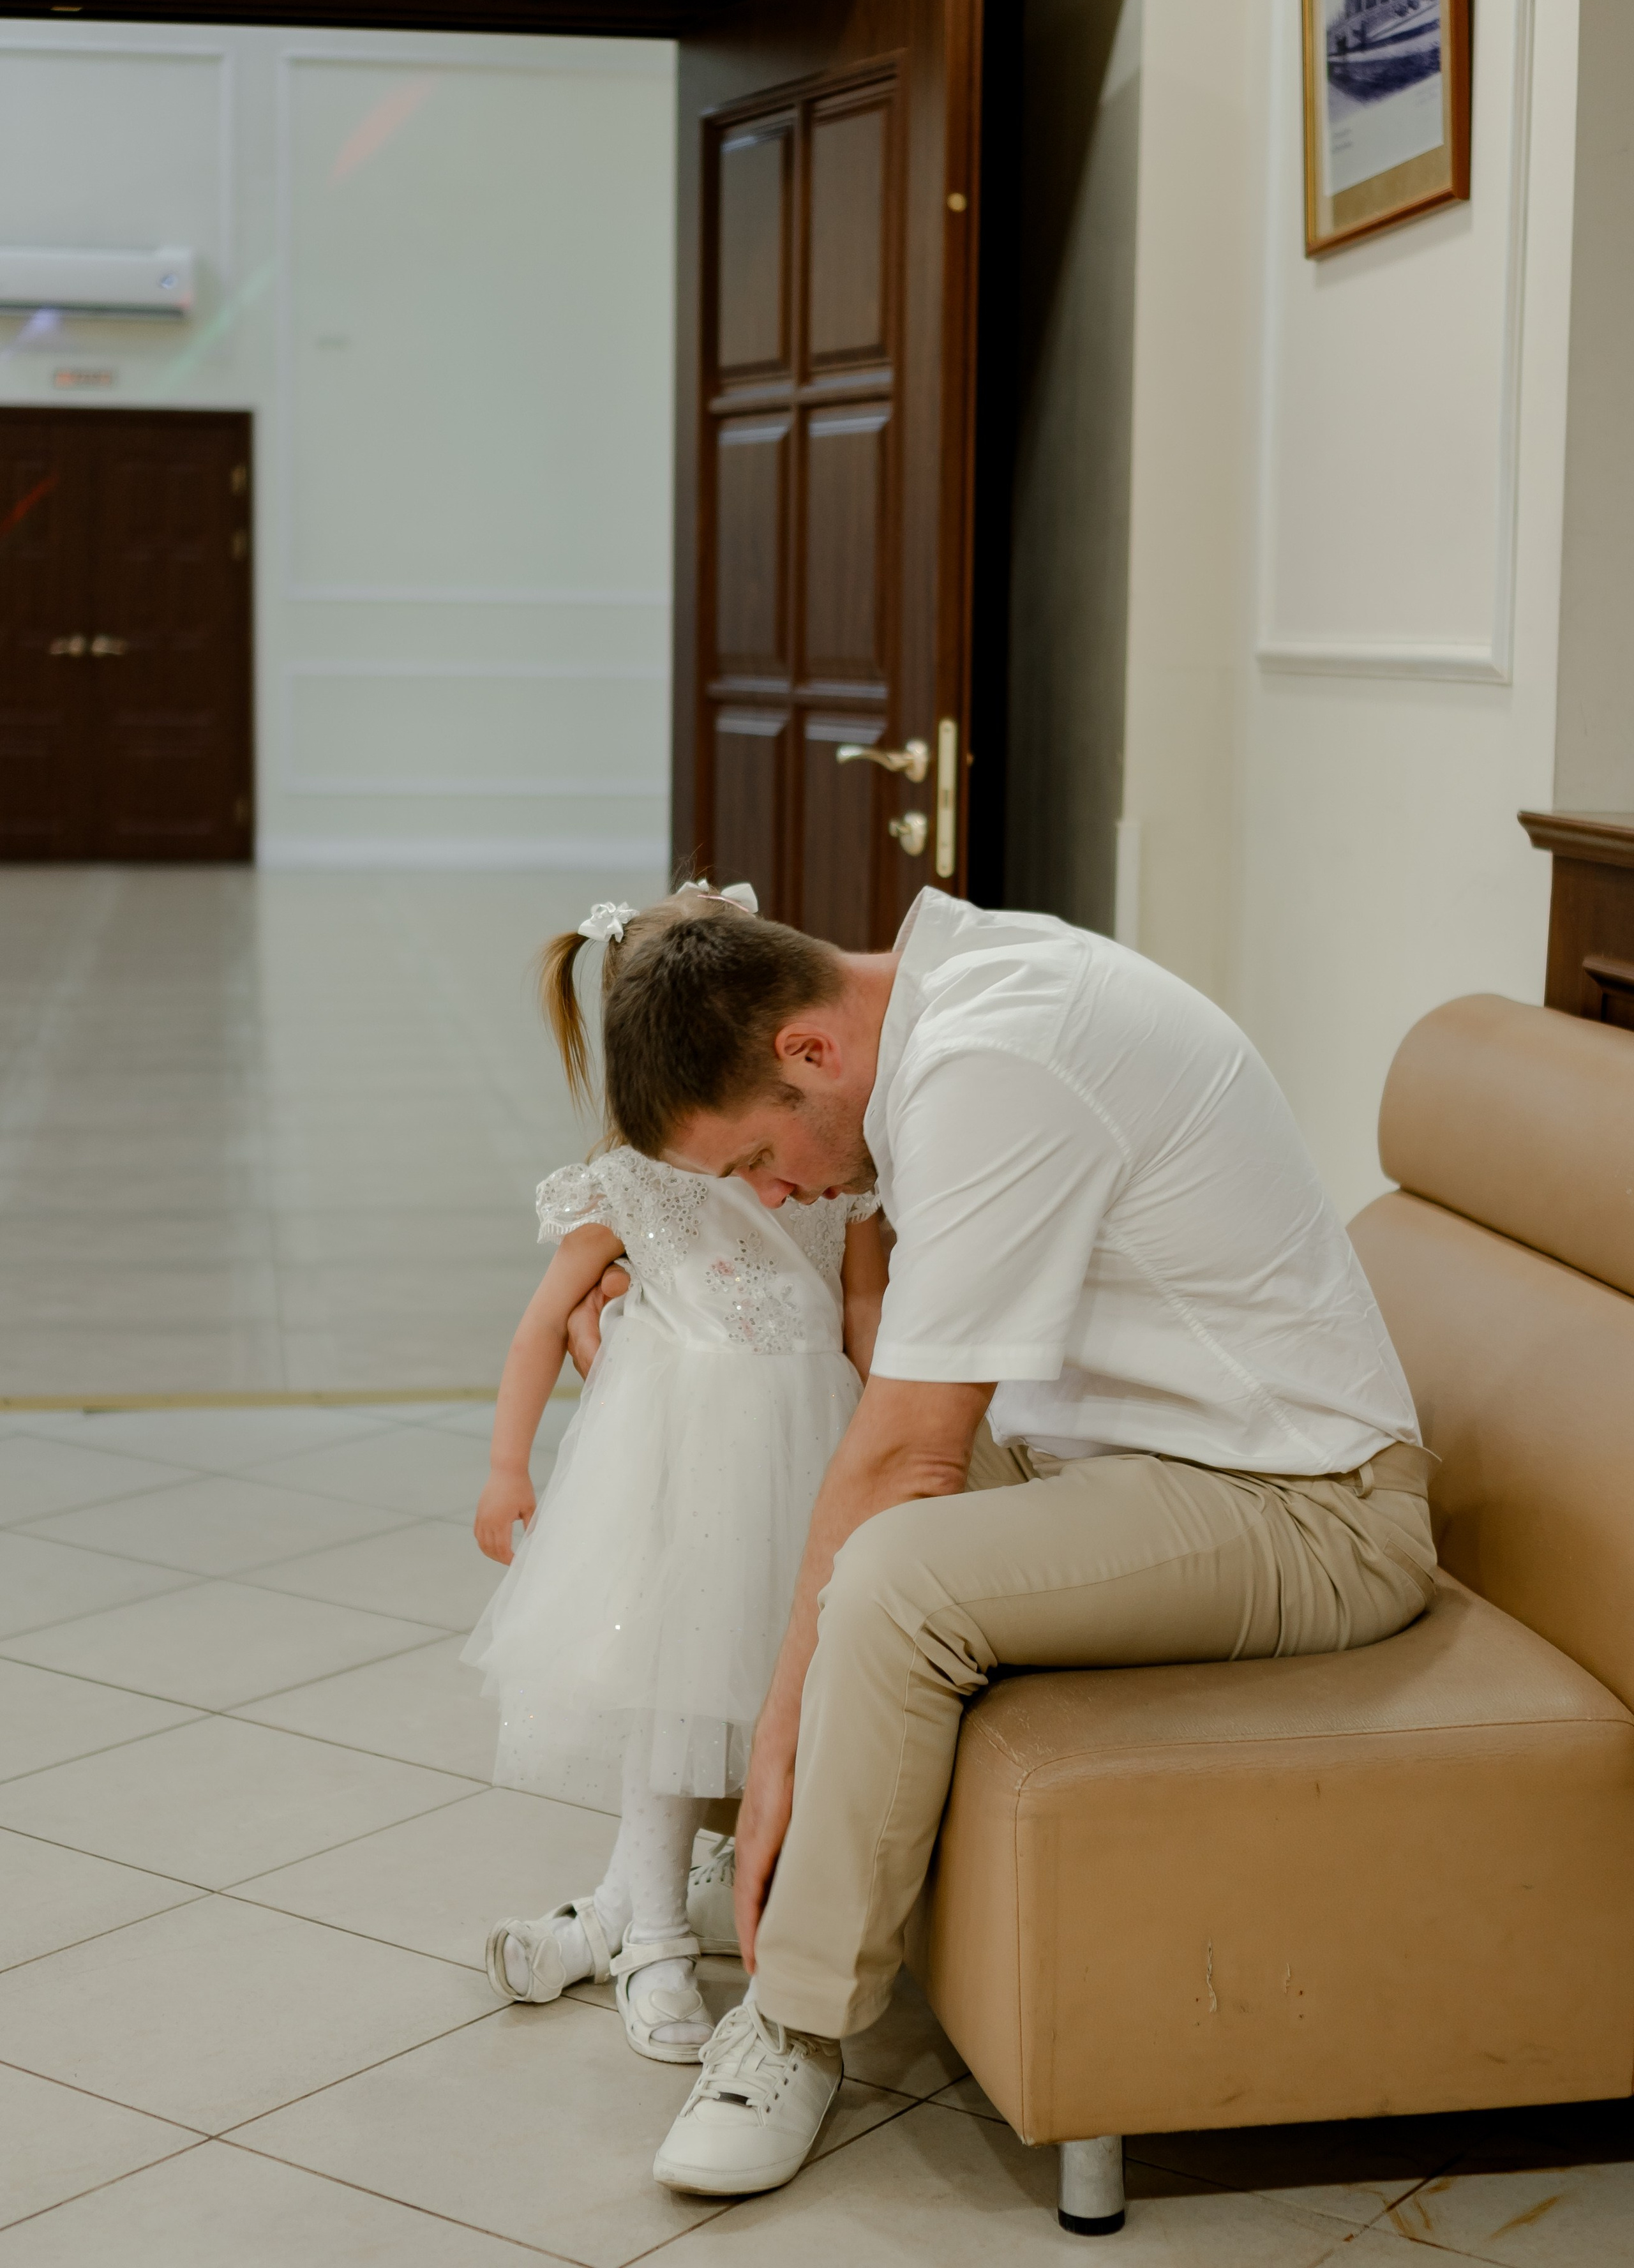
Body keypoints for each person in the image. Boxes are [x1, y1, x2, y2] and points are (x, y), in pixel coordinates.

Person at [571, 886, 1435, 2196]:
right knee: (801, 1465)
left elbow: (915, 1456)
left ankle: (794, 2019)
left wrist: (781, 1754)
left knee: (889, 1577)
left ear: (806, 1051)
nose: (779, 1191)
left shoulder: (991, 1062)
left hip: (1308, 1505)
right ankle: (744, 1866)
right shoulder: (950, 995)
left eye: (755, 1160)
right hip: (1123, 1452)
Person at [462, 885, 885, 2066]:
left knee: (746, 1699)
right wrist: (507, 1467)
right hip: (673, 1454)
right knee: (672, 1696)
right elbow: (543, 1324)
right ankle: (650, 1938)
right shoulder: (631, 1182)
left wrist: (891, 1438)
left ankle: (608, 1917)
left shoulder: (827, 1162)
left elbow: (863, 1312)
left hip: (801, 1443)